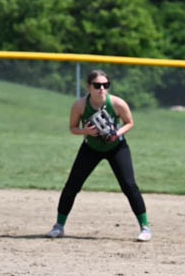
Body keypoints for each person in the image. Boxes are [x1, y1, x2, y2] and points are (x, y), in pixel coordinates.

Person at [47, 69, 152, 242]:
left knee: (129, 185)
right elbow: (73, 128)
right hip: (91, 148)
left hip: (116, 147)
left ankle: (145, 227)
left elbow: (129, 123)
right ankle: (59, 226)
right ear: (89, 86)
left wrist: (116, 134)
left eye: (105, 85)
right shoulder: (80, 105)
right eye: (97, 85)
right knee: (72, 185)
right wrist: (86, 131)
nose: (102, 88)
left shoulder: (117, 103)